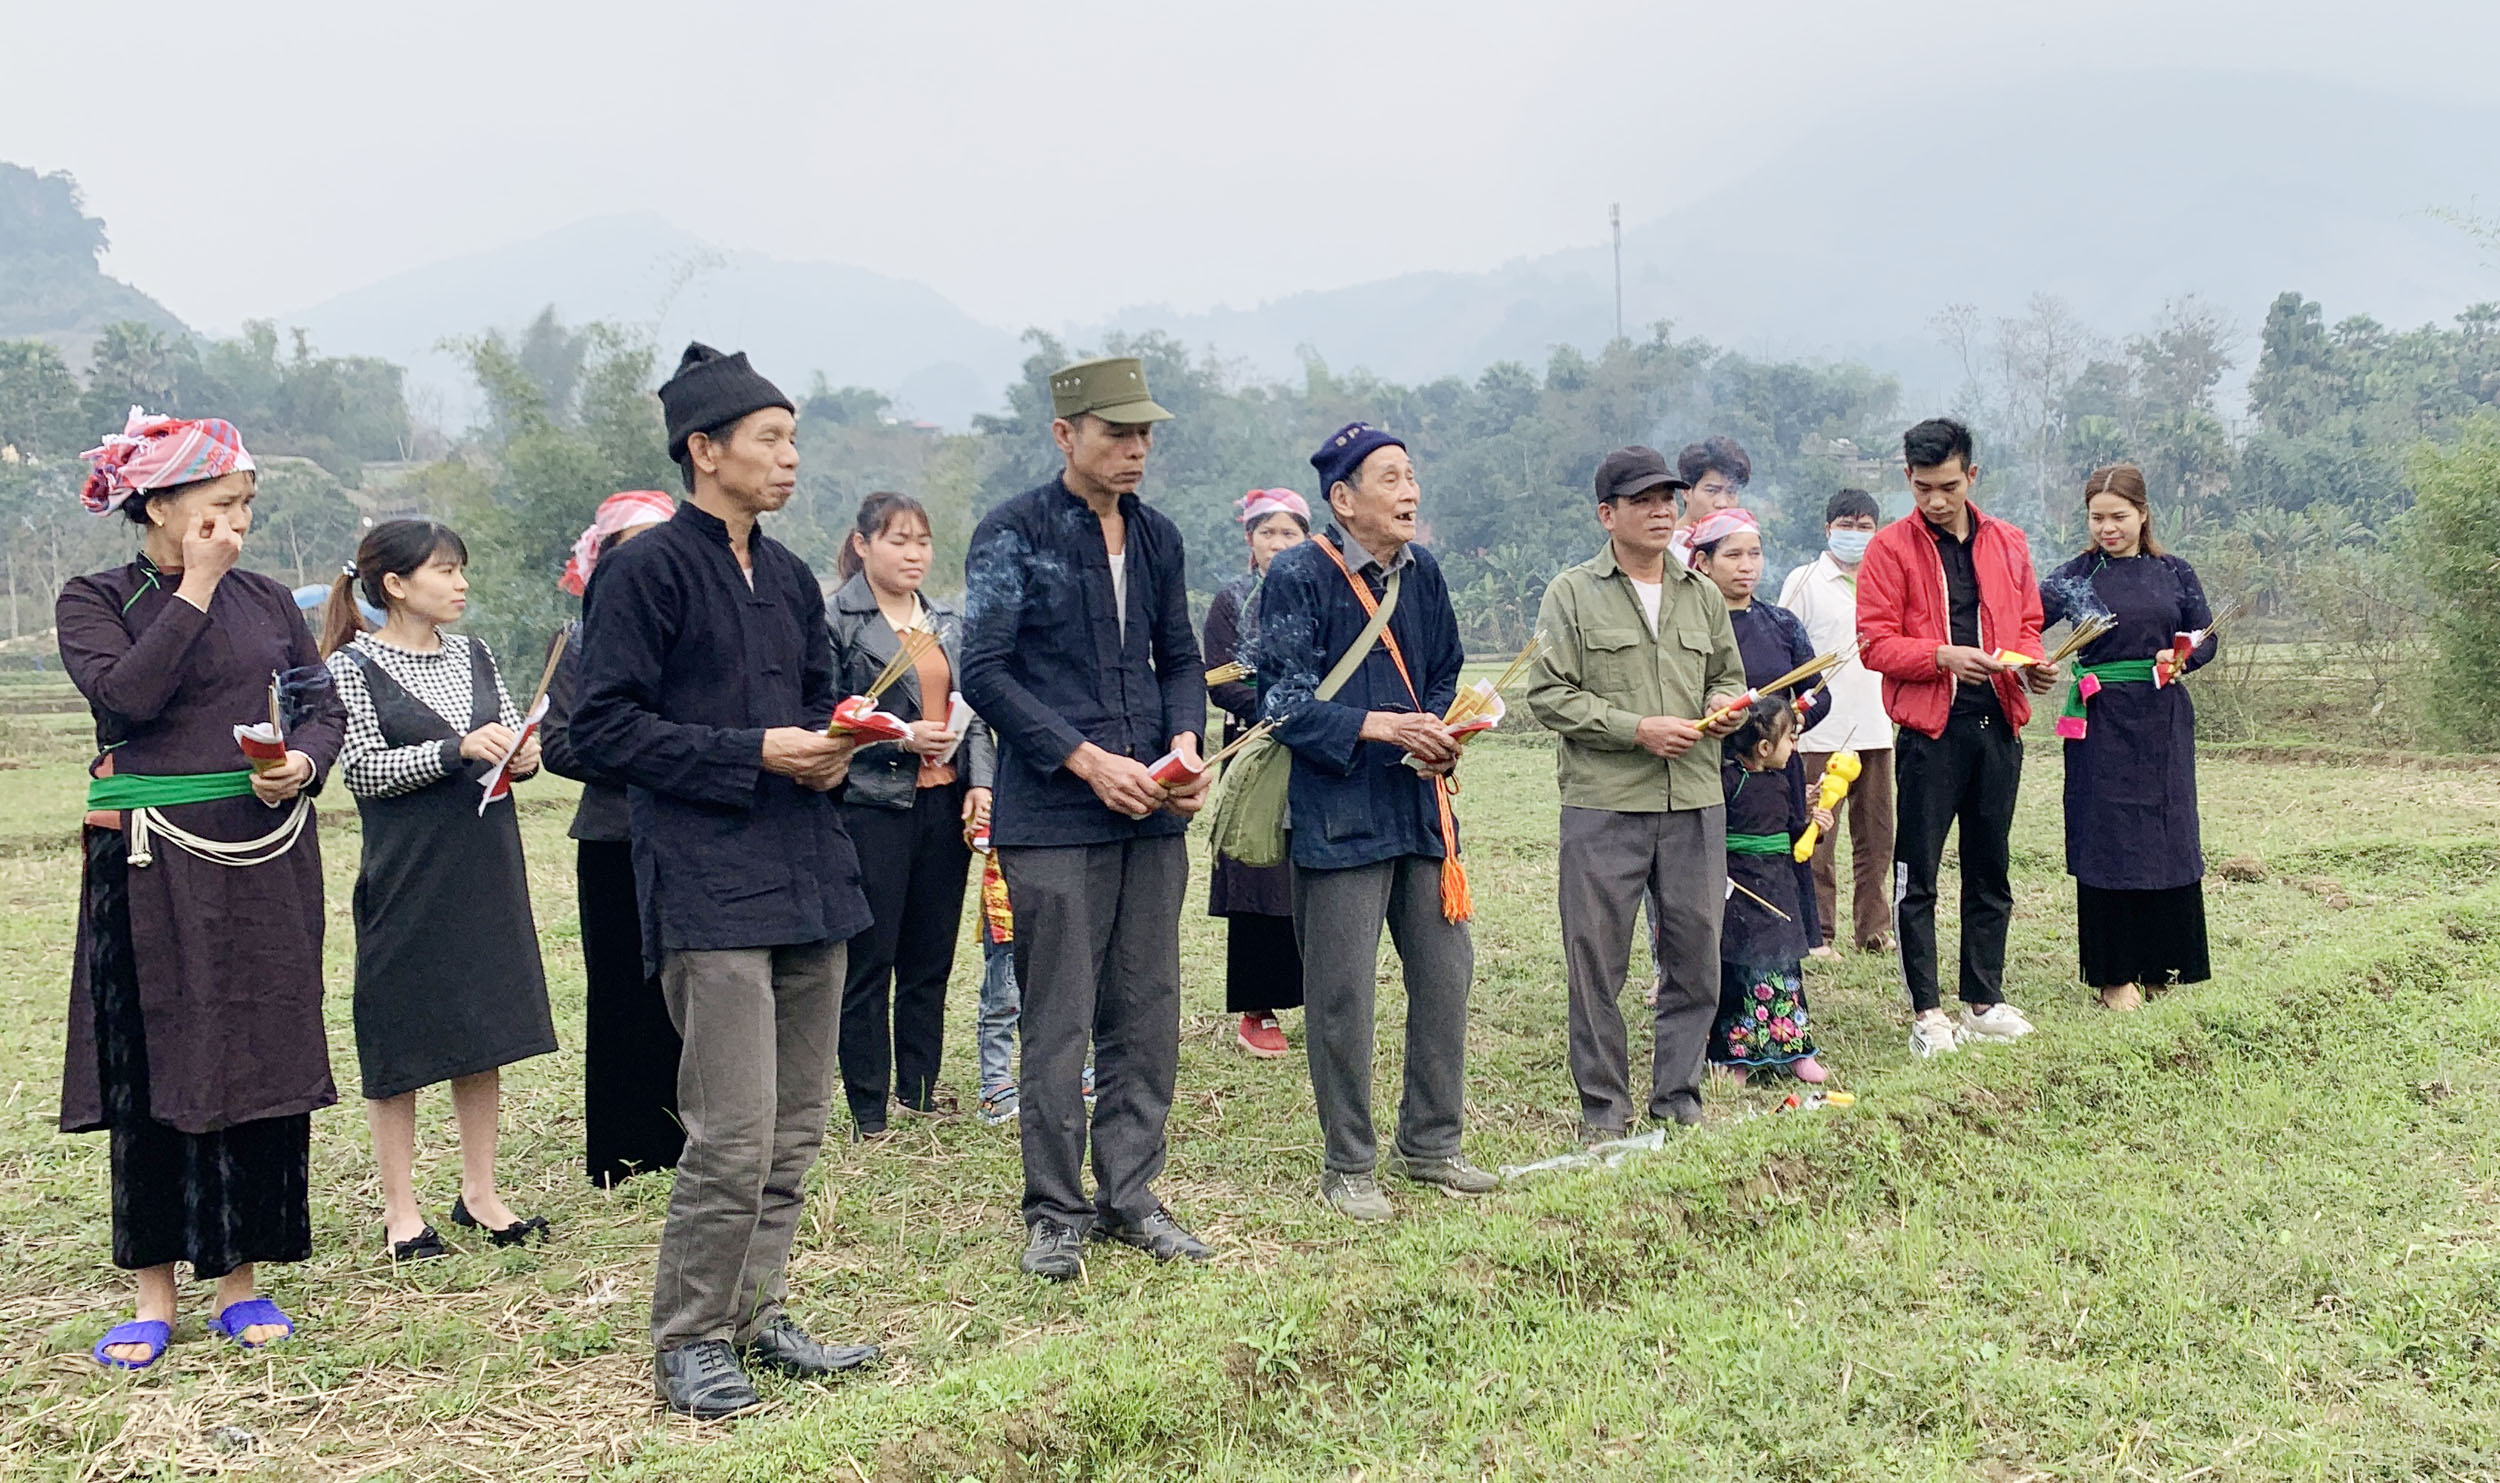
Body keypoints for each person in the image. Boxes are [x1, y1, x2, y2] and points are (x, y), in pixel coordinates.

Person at [572, 342, 879, 1417]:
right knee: (732, 1130)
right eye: (770, 440)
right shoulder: (645, 569)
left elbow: (816, 706)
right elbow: (594, 728)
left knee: (797, 1125)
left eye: (793, 439)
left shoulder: (793, 577)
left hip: (808, 873)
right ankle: (690, 1335)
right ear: (704, 451)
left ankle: (757, 1312)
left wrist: (842, 743)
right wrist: (754, 752)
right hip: (706, 884)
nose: (790, 459)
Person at [58, 408, 344, 1369]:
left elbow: (317, 702)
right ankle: (152, 1289)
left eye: (245, 507)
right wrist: (196, 588)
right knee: (155, 1057)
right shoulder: (93, 599)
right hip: (146, 858)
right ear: (161, 505)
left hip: (263, 850)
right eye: (220, 506)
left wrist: (301, 765)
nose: (237, 525)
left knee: (257, 1045)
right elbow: (127, 699)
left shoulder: (269, 600)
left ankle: (243, 1279)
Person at [959, 355, 1213, 1280]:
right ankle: (1055, 1207)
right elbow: (984, 668)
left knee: (1145, 1010)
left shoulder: (1158, 538)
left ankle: (1132, 1194)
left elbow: (1180, 655)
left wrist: (1185, 742)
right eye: (1116, 432)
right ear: (1066, 435)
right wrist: (1082, 757)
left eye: (1144, 433)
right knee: (1059, 1017)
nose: (1135, 449)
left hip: (1151, 812)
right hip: (1055, 817)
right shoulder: (1011, 533)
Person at [1257, 422, 1499, 1220]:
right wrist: (1387, 727)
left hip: (1417, 806)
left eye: (1411, 476)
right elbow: (1284, 702)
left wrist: (1434, 726)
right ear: (1342, 498)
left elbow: (1444, 667)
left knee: (1444, 975)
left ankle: (1431, 1143)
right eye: (1390, 479)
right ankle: (1349, 1163)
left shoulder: (1422, 572)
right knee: (1341, 994)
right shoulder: (1297, 575)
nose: (1410, 492)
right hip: (1338, 815)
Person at [322, 520, 558, 1261]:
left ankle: (480, 1192)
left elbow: (515, 738)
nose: (460, 584)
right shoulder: (352, 665)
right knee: (400, 1029)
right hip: (407, 868)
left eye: (462, 570)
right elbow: (360, 770)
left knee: (479, 1026)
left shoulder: (476, 653)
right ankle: (401, 1210)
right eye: (445, 570)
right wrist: (453, 748)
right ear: (395, 583)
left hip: (485, 862)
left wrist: (524, 756)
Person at [1526, 447, 1748, 1143]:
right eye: (1644, 499)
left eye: (1669, 498)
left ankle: (1678, 1098)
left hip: (1693, 801)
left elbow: (1726, 673)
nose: (1662, 510)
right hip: (1606, 802)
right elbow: (1549, 695)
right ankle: (1604, 1110)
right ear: (1607, 514)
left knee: (1697, 955)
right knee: (1596, 960)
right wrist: (1635, 729)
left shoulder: (1701, 592)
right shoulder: (1571, 592)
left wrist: (1724, 705)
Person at [1856, 418, 2054, 1058]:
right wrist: (1942, 656)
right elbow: (1874, 644)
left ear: (1972, 475)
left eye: (1947, 486)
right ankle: (1928, 1011)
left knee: (1990, 866)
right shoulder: (1889, 549)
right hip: (1928, 732)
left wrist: (2032, 665)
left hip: (1998, 723)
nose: (1935, 500)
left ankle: (1984, 999)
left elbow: (2026, 625)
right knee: (1918, 872)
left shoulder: (2009, 542)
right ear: (1906, 479)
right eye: (1921, 488)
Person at [827, 490, 993, 1136]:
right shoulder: (839, 619)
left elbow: (972, 711)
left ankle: (919, 1094)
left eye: (921, 541)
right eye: (897, 540)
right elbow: (828, 714)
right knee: (871, 959)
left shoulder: (946, 621)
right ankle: (869, 1109)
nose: (913, 554)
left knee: (930, 959)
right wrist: (899, 736)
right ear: (863, 544)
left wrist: (981, 783)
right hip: (873, 805)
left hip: (943, 805)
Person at [543, 488, 685, 1187]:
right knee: (621, 992)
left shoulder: (690, 639)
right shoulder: (578, 645)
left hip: (689, 835)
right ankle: (623, 1150)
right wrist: (653, 753)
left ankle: (692, 1135)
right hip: (612, 837)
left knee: (688, 989)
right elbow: (562, 745)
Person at [2041, 464, 2214, 1010]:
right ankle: (2114, 977)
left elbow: (2204, 636)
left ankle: (2161, 969)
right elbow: (2022, 625)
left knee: (2165, 837)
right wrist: (2030, 663)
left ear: (2143, 514)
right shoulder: (2073, 577)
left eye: (2119, 517)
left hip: (2162, 719)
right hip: (2100, 724)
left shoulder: (2175, 573)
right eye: (2097, 518)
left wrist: (2183, 656)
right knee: (2107, 839)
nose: (2107, 528)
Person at [1684, 507, 1832, 976]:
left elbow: (1818, 690)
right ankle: (1695, 970)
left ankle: (1780, 963)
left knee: (1779, 864)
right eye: (1733, 555)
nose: (1747, 565)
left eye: (1755, 554)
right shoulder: (1688, 624)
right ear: (1704, 563)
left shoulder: (1781, 622)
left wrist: (1792, 721)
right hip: (1713, 767)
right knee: (1712, 869)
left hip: (1776, 767)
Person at [1202, 487, 1311, 1059]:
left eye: (1289, 533)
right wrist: (1276, 712)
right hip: (1253, 749)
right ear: (1250, 541)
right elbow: (1221, 679)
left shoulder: (1322, 594)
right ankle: (1257, 1009)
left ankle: (1322, 997)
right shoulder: (1232, 601)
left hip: (1315, 749)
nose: (1278, 543)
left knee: (1312, 872)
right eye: (1267, 533)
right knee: (1257, 875)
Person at [1778, 489, 1894, 958]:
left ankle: (1874, 929)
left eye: (1865, 527)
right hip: (1819, 733)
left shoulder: (1886, 581)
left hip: (1877, 727)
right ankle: (1819, 932)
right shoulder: (1804, 581)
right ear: (1828, 529)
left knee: (1878, 836)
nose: (1856, 534)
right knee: (1817, 834)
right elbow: (1785, 652)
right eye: (1847, 524)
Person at [1709, 700, 1835, 1082]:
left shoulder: (1782, 783)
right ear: (1764, 748)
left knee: (1783, 967)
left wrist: (1816, 825)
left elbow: (1793, 832)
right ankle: (1738, 1058)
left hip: (1779, 888)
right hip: (1741, 890)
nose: (1794, 747)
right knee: (1739, 971)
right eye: (1790, 739)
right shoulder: (1728, 781)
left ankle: (1796, 1050)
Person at [1667, 435, 1751, 567]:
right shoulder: (1664, 548)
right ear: (1686, 491)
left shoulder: (1743, 550)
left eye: (1731, 492)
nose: (1722, 503)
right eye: (1712, 491)